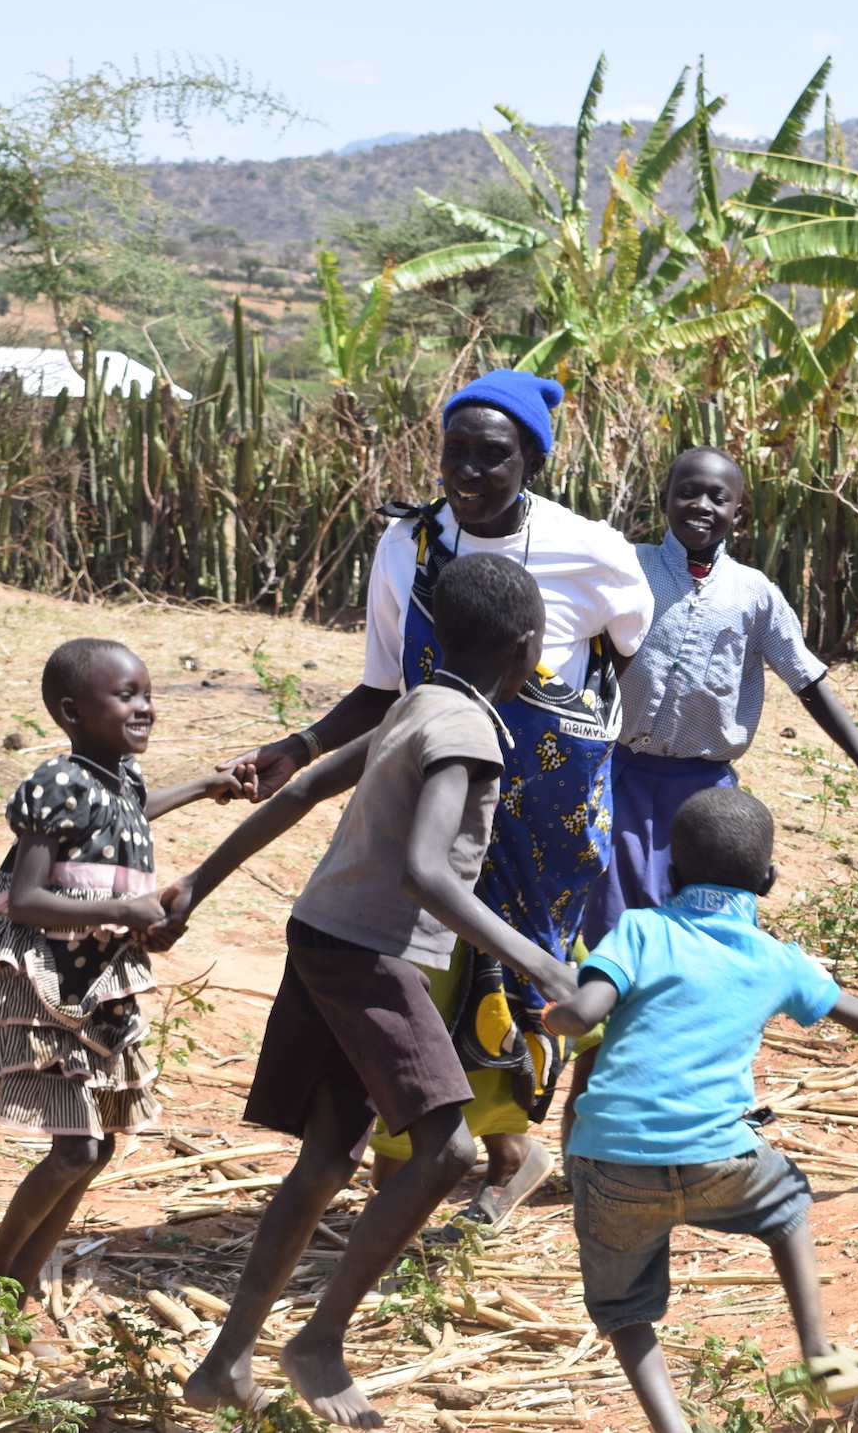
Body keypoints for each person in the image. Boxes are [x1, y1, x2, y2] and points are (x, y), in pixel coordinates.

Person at [223, 368, 653, 1235]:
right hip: (434, 800)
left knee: (503, 998)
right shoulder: (406, 549)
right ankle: (413, 1182)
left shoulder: (594, 552)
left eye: (492, 455)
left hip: (541, 821)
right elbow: (384, 687)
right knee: (416, 981)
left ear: (530, 458)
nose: (467, 471)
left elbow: (624, 662)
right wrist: (301, 746)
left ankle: (502, 1152)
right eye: (454, 450)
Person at [168, 554, 579, 1427]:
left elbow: (307, 784)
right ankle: (318, 1340)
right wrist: (542, 965)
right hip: (371, 952)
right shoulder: (465, 731)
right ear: (525, 649)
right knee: (449, 1150)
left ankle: (225, 1360)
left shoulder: (416, 701)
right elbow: (429, 874)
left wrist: (199, 884)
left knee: (328, 1156)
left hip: (320, 933)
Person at [544, 787, 858, 1433]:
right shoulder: (776, 958)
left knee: (625, 1309)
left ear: (671, 875)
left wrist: (553, 1014)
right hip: (718, 1157)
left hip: (610, 1161)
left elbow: (583, 1012)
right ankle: (816, 1352)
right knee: (787, 1200)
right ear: (767, 879)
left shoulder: (640, 930)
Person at [0, 639, 241, 1337]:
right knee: (75, 1149)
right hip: (38, 978)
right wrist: (123, 911)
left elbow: (128, 812)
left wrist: (204, 786)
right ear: (73, 712)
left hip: (94, 979)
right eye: (125, 695)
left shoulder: (121, 776)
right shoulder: (56, 781)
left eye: (147, 692)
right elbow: (32, 897)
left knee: (95, 1150)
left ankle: (17, 1285)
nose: (145, 705)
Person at [582, 445, 858, 947]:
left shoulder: (754, 593)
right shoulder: (631, 567)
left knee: (706, 926)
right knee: (610, 920)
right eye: (687, 492)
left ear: (738, 513)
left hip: (704, 792)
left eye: (718, 498)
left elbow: (806, 680)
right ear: (664, 500)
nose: (701, 506)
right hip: (619, 775)